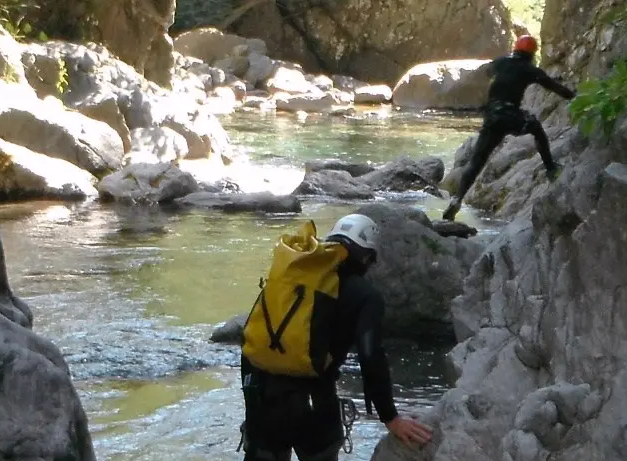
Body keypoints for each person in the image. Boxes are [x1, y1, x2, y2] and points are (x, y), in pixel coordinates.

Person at [239, 214, 433, 461]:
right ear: (366, 257)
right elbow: (370, 355)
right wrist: (390, 418)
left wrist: (252, 408)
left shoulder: (292, 276)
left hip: (263, 398)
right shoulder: (365, 296)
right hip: (313, 404)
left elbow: (249, 340)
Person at [441, 34, 577, 221]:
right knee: (536, 128)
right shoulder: (530, 69)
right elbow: (554, 87)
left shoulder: (500, 63)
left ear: (515, 49)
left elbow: (488, 72)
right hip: (511, 117)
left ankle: (457, 199)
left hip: (491, 118)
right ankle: (551, 168)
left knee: (476, 162)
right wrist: (572, 96)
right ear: (532, 53)